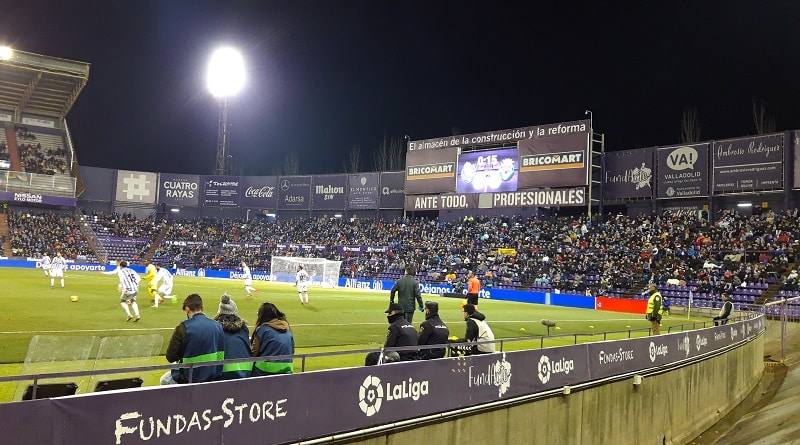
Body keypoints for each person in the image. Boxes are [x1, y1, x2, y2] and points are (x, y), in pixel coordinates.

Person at [161, 294, 225, 385]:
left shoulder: (183, 327)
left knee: (164, 380)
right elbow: (220, 353)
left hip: (189, 377)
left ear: (187, 309)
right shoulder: (218, 326)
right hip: (213, 376)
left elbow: (170, 357)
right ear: (202, 307)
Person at [251, 302, 295, 376]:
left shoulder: (262, 330)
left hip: (264, 370)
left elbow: (253, 353)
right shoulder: (287, 328)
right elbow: (292, 350)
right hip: (287, 369)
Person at [214, 294, 252, 379]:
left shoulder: (216, 329)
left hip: (222, 375)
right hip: (246, 373)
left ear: (219, 312)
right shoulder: (244, 329)